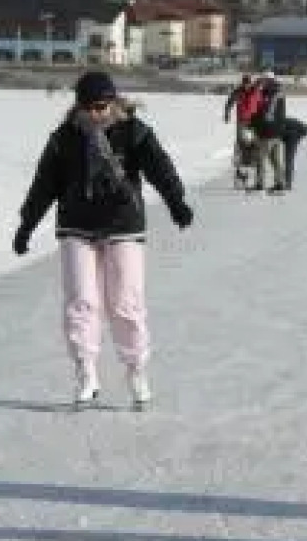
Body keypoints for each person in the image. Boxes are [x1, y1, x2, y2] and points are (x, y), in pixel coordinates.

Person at [14, 71, 194, 410]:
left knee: (126, 303)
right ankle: (86, 371)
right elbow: (43, 185)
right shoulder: (63, 139)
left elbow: (161, 169)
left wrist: (176, 203)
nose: (96, 114)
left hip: (123, 225)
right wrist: (26, 225)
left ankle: (136, 369)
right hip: (76, 227)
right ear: (78, 106)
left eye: (102, 106)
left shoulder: (135, 133)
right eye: (88, 107)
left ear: (113, 102)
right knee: (81, 301)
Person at [249, 70, 288, 194]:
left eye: (264, 80)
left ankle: (260, 184)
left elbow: (266, 114)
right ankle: (280, 183)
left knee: (260, 158)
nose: (262, 83)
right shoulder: (273, 92)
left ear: (270, 81)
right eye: (262, 80)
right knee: (275, 159)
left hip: (269, 132)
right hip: (275, 132)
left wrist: (255, 124)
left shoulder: (272, 94)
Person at [223, 73, 262, 189]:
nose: (246, 86)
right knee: (240, 143)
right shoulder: (238, 91)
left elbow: (262, 104)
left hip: (254, 121)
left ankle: (252, 169)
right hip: (241, 121)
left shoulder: (256, 91)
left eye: (248, 84)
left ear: (251, 83)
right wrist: (227, 113)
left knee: (254, 144)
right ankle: (240, 171)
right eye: (245, 83)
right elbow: (229, 102)